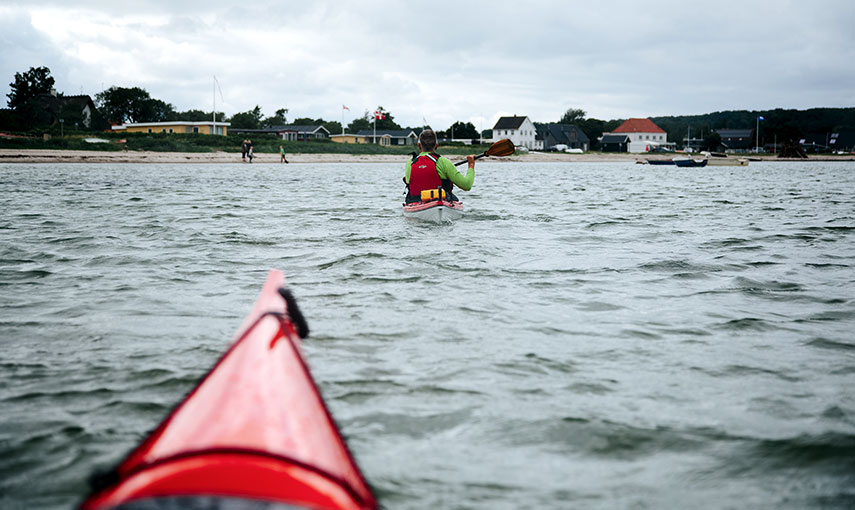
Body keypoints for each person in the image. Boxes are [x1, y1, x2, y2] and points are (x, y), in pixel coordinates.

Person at [404, 129, 475, 203]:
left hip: (416, 202)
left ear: (419, 146)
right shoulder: (443, 162)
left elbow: (408, 181)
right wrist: (471, 164)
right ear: (436, 146)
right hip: (440, 200)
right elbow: (467, 185)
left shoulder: (410, 163)